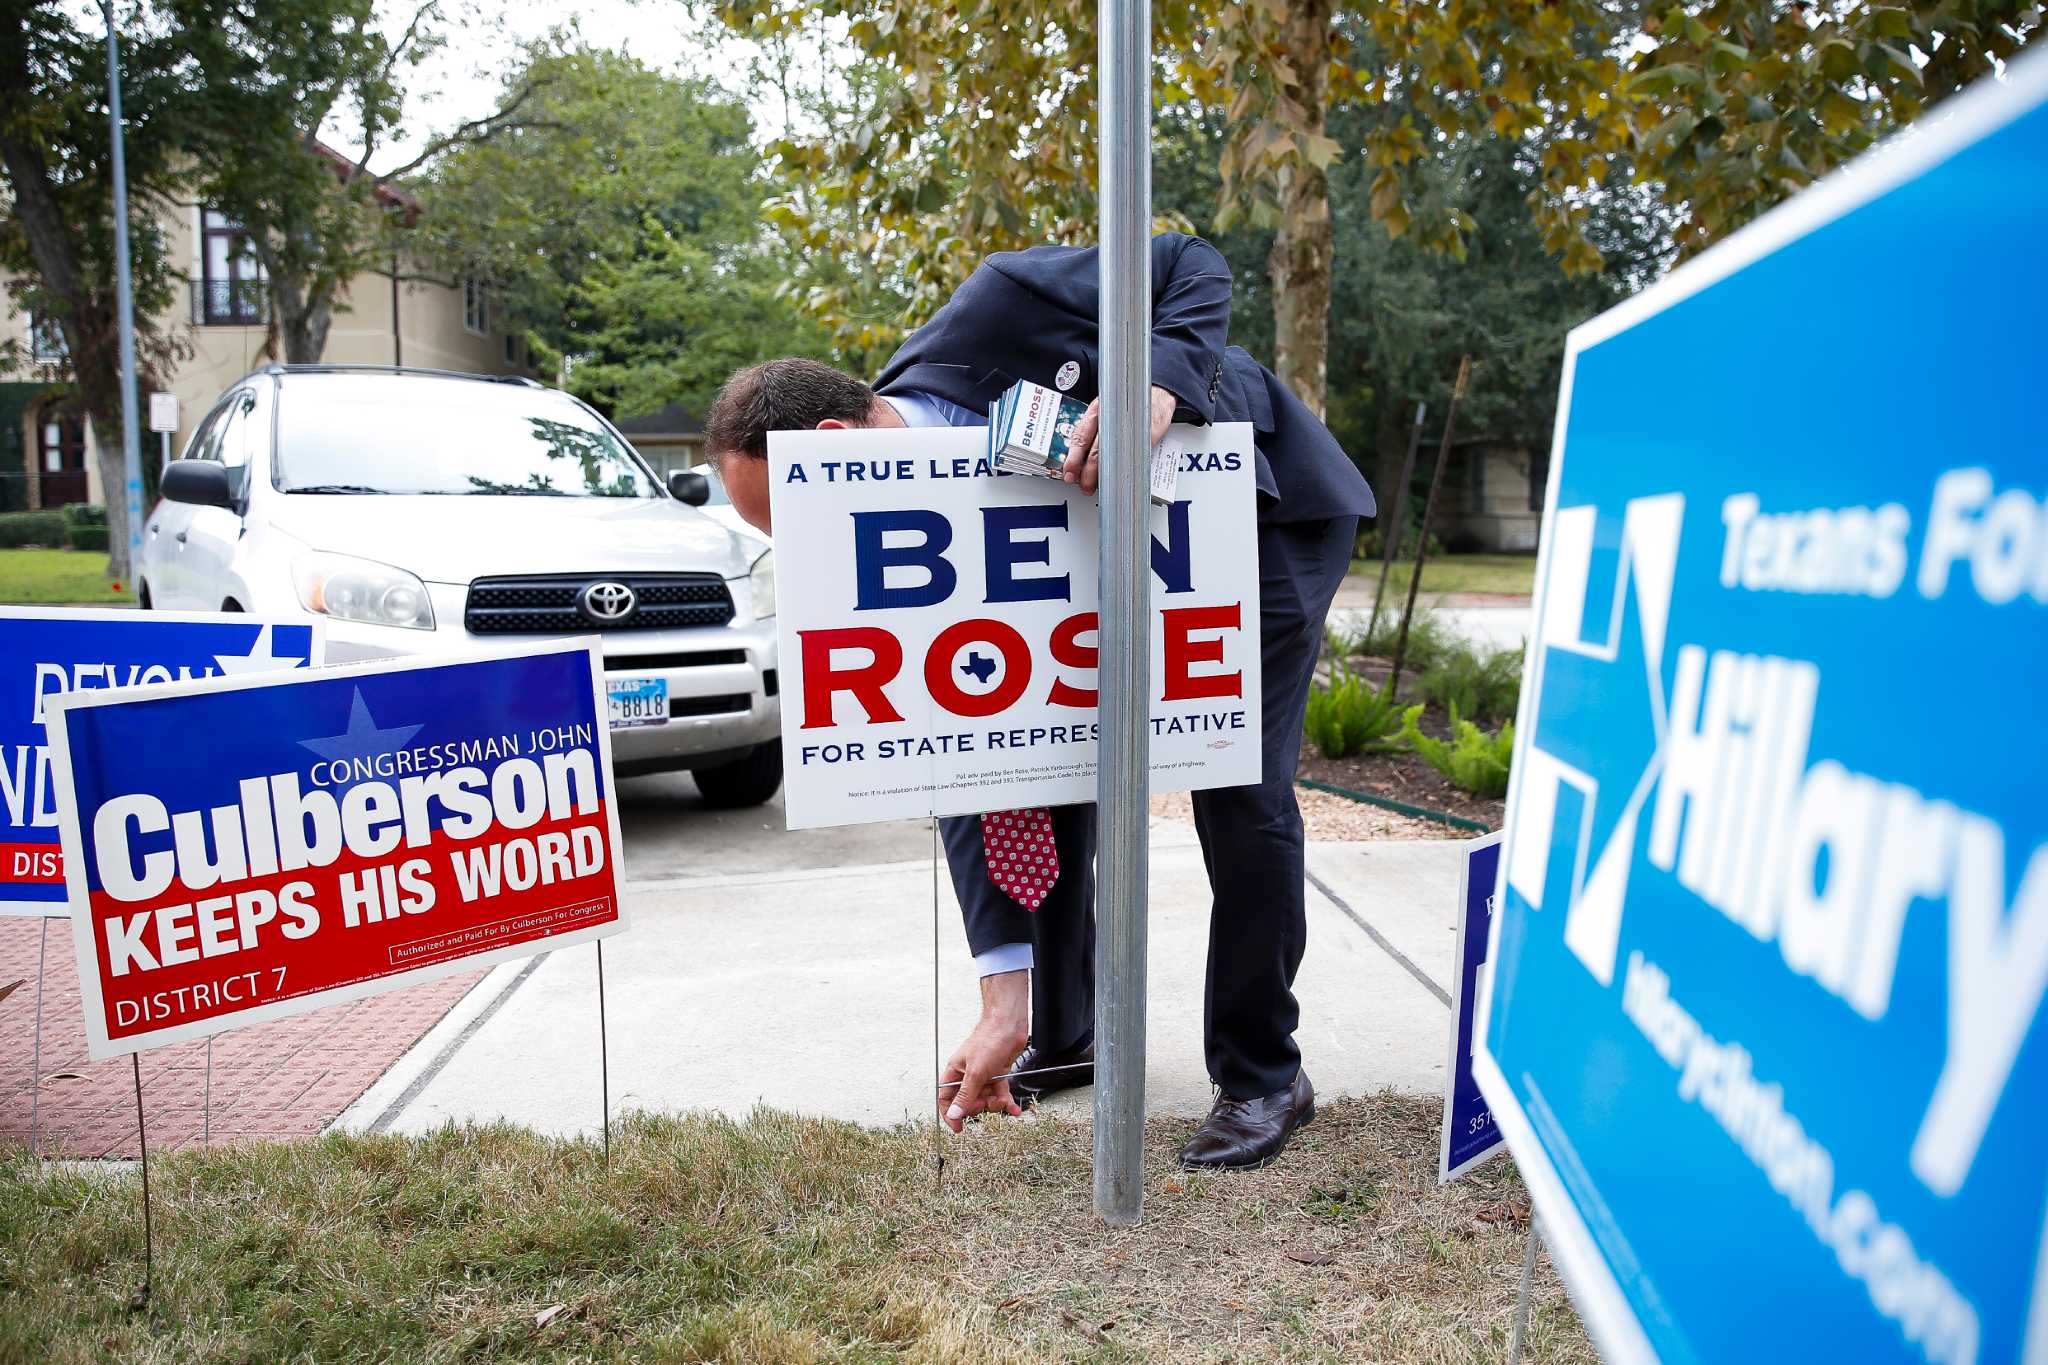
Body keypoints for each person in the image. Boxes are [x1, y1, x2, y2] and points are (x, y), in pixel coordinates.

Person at [705, 232, 1374, 1170]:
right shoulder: (890, 517)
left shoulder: (999, 299)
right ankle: (1065, 1030)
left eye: (793, 520)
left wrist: (1156, 383)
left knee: (1238, 789)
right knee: (1042, 766)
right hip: (1107, 570)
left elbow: (1193, 263)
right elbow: (963, 751)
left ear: (831, 446)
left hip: (1257, 524)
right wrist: (999, 1000)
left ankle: (1266, 1074)